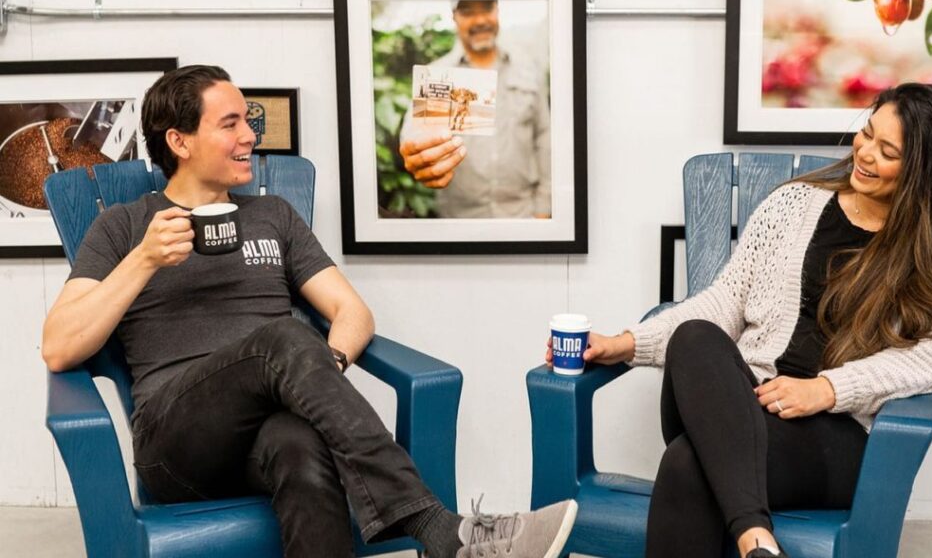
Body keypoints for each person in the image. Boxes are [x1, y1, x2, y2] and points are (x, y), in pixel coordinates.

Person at [41, 65, 577, 558]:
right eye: (230, 124)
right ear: (179, 141)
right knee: (285, 339)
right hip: (176, 442)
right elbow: (59, 346)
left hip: (268, 430)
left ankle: (443, 535)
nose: (250, 136)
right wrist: (143, 260)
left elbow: (352, 312)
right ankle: (437, 527)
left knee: (298, 446)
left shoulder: (273, 215)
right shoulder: (124, 228)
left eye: (248, 120)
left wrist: (318, 370)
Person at [545, 83, 932, 558]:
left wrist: (827, 389)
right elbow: (724, 301)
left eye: (888, 152)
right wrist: (622, 344)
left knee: (686, 464)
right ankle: (756, 540)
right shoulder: (793, 205)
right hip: (740, 402)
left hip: (837, 436)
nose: (865, 153)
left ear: (926, 170)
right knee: (695, 335)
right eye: (867, 134)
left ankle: (752, 535)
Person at [398, 0, 551, 218]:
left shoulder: (529, 70)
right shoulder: (437, 75)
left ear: (497, 10)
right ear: (454, 17)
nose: (480, 20)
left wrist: (544, 209)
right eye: (468, 12)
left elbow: (544, 137)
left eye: (487, 9)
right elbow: (414, 133)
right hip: (460, 221)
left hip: (523, 215)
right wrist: (415, 149)